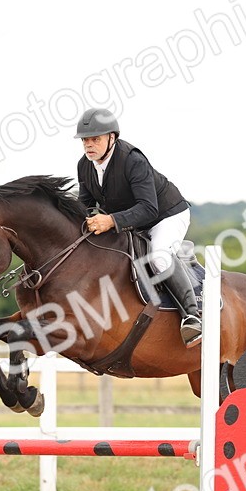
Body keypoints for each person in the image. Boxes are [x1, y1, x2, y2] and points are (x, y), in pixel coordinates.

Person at [74, 107, 202, 347]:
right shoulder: (84, 165)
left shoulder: (133, 160)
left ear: (112, 137)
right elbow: (86, 205)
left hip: (166, 215)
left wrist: (111, 221)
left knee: (159, 255)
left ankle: (192, 316)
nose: (89, 145)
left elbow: (149, 209)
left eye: (95, 139)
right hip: (133, 220)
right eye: (85, 140)